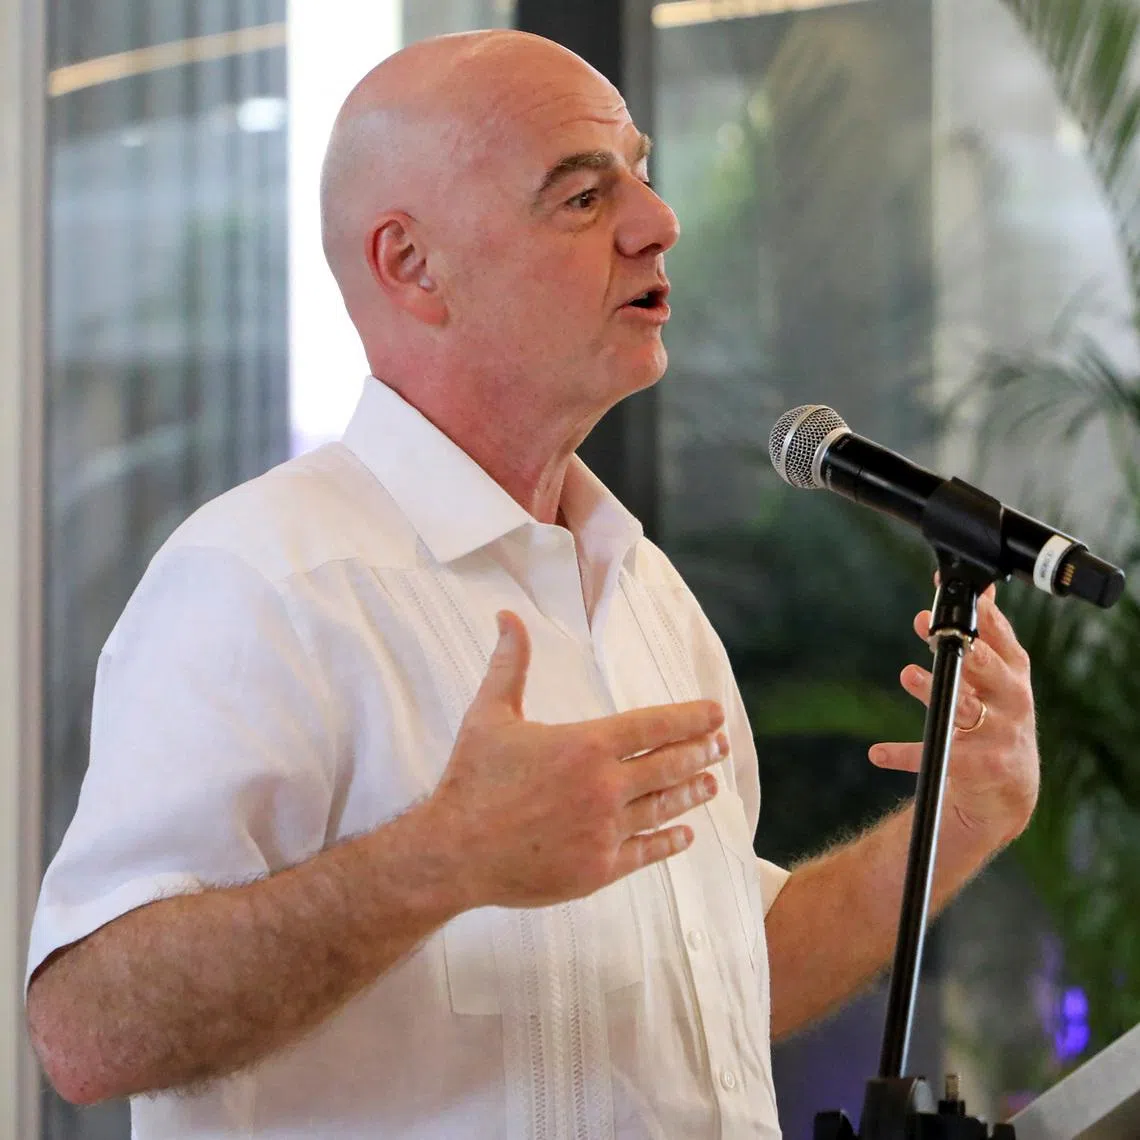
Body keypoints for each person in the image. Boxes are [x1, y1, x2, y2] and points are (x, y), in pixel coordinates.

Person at [24, 29, 1039, 1140]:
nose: (659, 222)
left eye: (641, 176)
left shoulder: (644, 591)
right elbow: (89, 1027)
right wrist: (442, 860)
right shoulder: (264, 579)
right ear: (412, 266)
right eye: (583, 196)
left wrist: (958, 819)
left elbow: (719, 988)